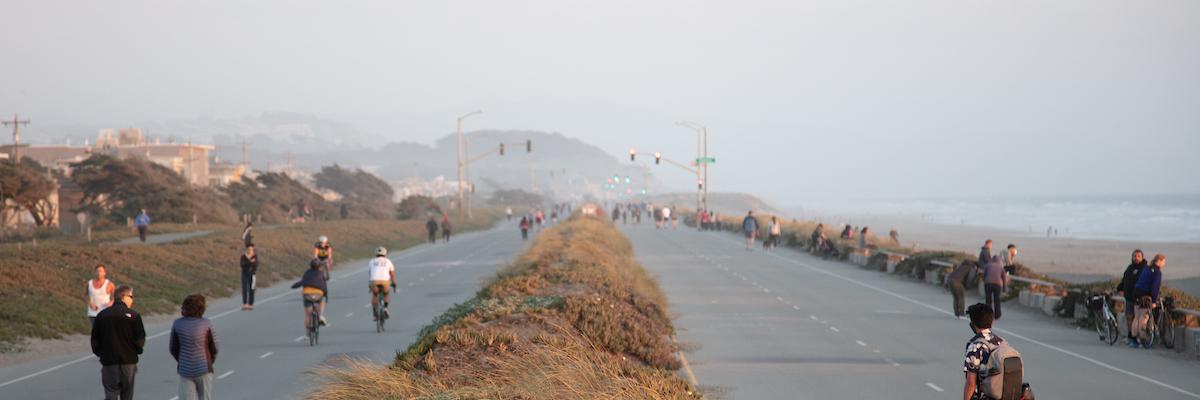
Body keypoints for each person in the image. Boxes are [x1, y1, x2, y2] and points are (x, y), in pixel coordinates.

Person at [91, 285, 145, 400]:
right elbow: (140, 340)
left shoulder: (102, 316)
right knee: (127, 395)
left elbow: (95, 340)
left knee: (111, 394)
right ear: (124, 297)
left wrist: (101, 354)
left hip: (109, 362)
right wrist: (136, 351)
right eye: (131, 296)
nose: (132, 299)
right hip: (128, 362)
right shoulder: (134, 316)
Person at [169, 294, 218, 400]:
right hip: (204, 368)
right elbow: (214, 348)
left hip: (185, 370)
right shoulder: (206, 324)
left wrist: (182, 360)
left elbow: (173, 348)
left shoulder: (177, 324)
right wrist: (210, 361)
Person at [962, 303, 1005, 400]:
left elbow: (971, 383)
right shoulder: (1000, 342)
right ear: (992, 322)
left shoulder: (975, 346)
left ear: (973, 323)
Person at [1130, 254, 1165, 348]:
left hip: (1136, 292)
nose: (1164, 264)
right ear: (1160, 261)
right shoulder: (1157, 272)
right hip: (1145, 295)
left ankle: (1134, 340)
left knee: (1136, 317)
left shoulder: (1147, 268)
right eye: (1164, 262)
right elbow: (1155, 287)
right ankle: (1143, 339)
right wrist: (1153, 301)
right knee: (1143, 318)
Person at [1117, 249, 1147, 345]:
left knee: (1137, 319)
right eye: (1135, 256)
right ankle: (1130, 336)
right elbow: (1124, 281)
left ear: (1142, 257)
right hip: (1128, 297)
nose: (1136, 258)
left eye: (1138, 256)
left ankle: (1138, 338)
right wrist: (1119, 289)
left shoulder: (1144, 269)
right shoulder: (1129, 268)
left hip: (1138, 298)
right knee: (1129, 317)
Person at [292, 259, 329, 328]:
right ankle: (320, 315)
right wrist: (325, 295)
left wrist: (294, 286)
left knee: (307, 315)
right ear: (320, 266)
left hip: (307, 295)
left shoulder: (307, 273)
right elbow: (325, 283)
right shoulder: (321, 273)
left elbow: (302, 282)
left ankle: (307, 335)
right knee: (322, 300)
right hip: (318, 295)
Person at [368, 247, 396, 321]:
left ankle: (375, 313)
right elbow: (392, 274)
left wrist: (370, 284)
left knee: (375, 294)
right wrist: (394, 283)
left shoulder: (371, 261)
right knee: (386, 293)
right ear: (385, 254)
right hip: (385, 282)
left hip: (374, 281)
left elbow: (370, 273)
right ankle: (385, 308)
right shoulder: (388, 261)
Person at [982, 255, 1009, 320]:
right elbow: (1004, 279)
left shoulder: (987, 265)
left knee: (988, 300)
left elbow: (984, 275)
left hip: (988, 284)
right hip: (997, 285)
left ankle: (988, 315)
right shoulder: (1001, 267)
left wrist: (985, 281)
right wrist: (1004, 289)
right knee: (997, 300)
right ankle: (997, 315)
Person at [240, 245, 258, 310]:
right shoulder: (243, 256)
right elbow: (242, 265)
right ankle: (245, 303)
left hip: (252, 275)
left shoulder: (255, 256)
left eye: (251, 249)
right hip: (244, 274)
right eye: (249, 249)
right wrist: (250, 262)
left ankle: (250, 304)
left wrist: (249, 263)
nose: (250, 250)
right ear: (247, 249)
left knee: (251, 289)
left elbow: (255, 265)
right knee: (244, 288)